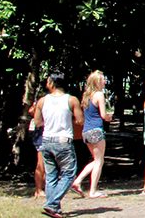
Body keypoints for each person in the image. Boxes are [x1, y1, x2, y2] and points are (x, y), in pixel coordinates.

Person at [33, 72, 84, 218]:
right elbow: (80, 121)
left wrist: (49, 124)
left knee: (51, 176)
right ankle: (52, 204)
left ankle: (54, 208)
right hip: (63, 141)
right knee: (69, 174)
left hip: (47, 140)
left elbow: (37, 122)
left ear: (52, 83)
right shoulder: (71, 100)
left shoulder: (42, 101)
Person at [72, 70, 113, 198]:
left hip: (86, 131)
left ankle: (78, 181)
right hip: (96, 130)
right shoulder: (99, 95)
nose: (105, 82)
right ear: (97, 82)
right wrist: (109, 117)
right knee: (99, 161)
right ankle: (93, 190)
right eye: (102, 80)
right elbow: (103, 114)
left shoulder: (86, 95)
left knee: (96, 160)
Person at [28, 97, 46, 198]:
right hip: (40, 134)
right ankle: (38, 189)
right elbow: (31, 111)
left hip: (46, 133)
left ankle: (43, 187)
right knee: (41, 163)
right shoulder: (41, 101)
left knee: (48, 163)